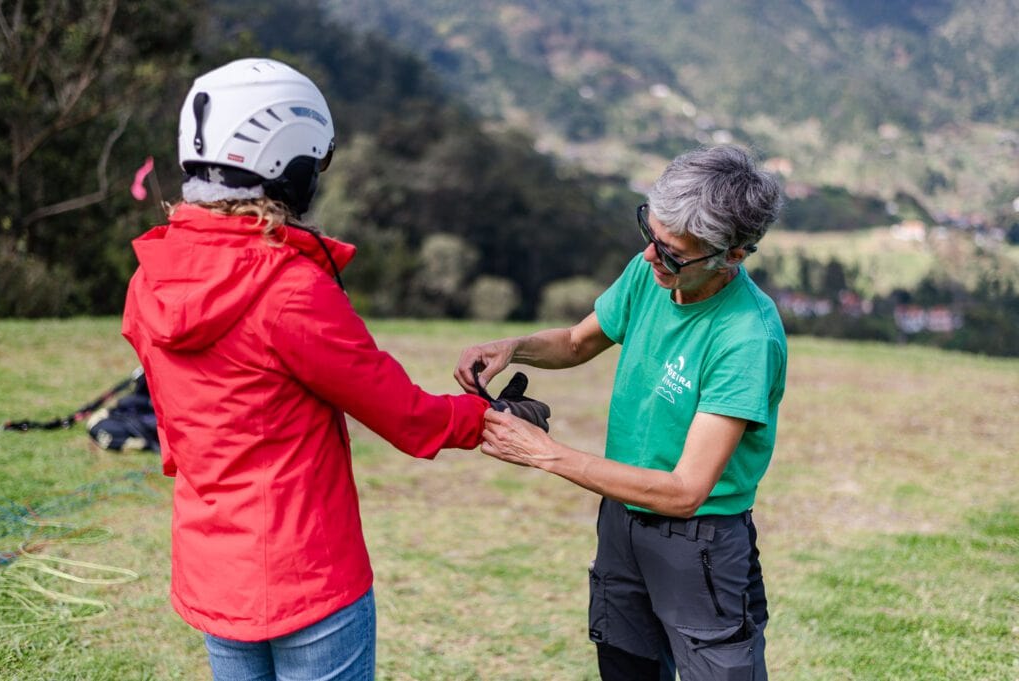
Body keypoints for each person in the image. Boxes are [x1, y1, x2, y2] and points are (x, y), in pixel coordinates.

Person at [121, 58, 547, 681]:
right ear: (288, 166)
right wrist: (489, 416)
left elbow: (175, 426)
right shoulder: (288, 288)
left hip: (214, 567)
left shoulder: (148, 277)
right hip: (307, 573)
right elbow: (404, 415)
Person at [455, 145, 786, 681]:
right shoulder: (649, 273)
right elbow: (576, 342)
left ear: (734, 254)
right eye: (650, 235)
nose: (653, 257)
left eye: (674, 252)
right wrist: (512, 346)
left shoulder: (746, 336)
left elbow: (684, 491)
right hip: (621, 524)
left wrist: (544, 453)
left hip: (700, 544)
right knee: (625, 668)